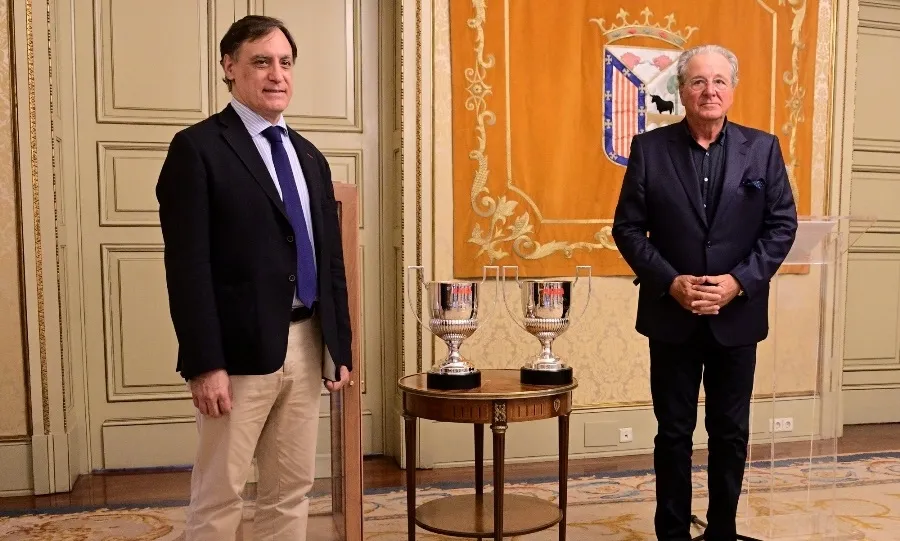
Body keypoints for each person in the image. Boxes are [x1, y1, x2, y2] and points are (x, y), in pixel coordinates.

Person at [156, 15, 353, 541]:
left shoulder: (308, 155)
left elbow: (329, 260)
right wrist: (205, 364)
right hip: (236, 355)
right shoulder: (197, 150)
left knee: (291, 491)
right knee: (220, 495)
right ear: (230, 67)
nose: (276, 74)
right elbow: (187, 269)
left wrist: (340, 347)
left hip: (307, 345)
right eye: (261, 61)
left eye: (285, 62)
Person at [611, 44, 798, 541]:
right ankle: (672, 533)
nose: (708, 90)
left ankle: (721, 533)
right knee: (673, 435)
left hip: (736, 317)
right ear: (681, 90)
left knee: (730, 434)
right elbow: (627, 229)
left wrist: (737, 283)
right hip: (672, 316)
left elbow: (781, 227)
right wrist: (670, 282)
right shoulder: (650, 150)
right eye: (697, 81)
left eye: (718, 81)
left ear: (732, 89)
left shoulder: (763, 149)